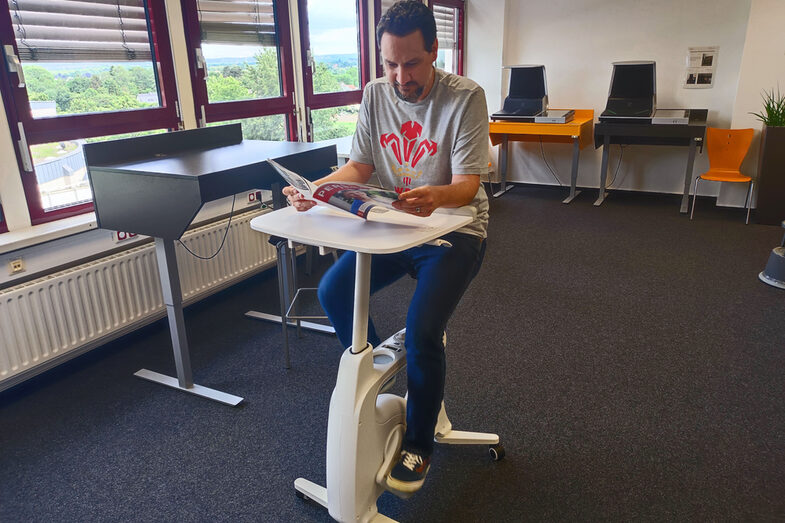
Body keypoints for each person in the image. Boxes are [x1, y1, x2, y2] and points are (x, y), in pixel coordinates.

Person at [283, 0, 489, 494]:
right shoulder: (376, 94)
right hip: (396, 227)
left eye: (412, 63)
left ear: (434, 50)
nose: (400, 77)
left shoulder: (465, 96)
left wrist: (433, 195)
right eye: (390, 63)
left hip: (455, 231)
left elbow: (465, 187)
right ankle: (385, 374)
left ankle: (419, 443)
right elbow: (360, 167)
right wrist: (315, 189)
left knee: (422, 332)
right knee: (333, 293)